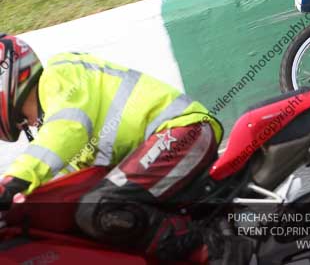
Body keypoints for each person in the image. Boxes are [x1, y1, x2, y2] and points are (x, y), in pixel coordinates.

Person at [0, 34, 245, 261]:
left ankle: (218, 250)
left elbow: (66, 128)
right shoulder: (49, 135)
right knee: (96, 217)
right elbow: (65, 188)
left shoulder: (59, 74)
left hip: (182, 132)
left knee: (99, 204)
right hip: (158, 156)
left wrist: (10, 183)